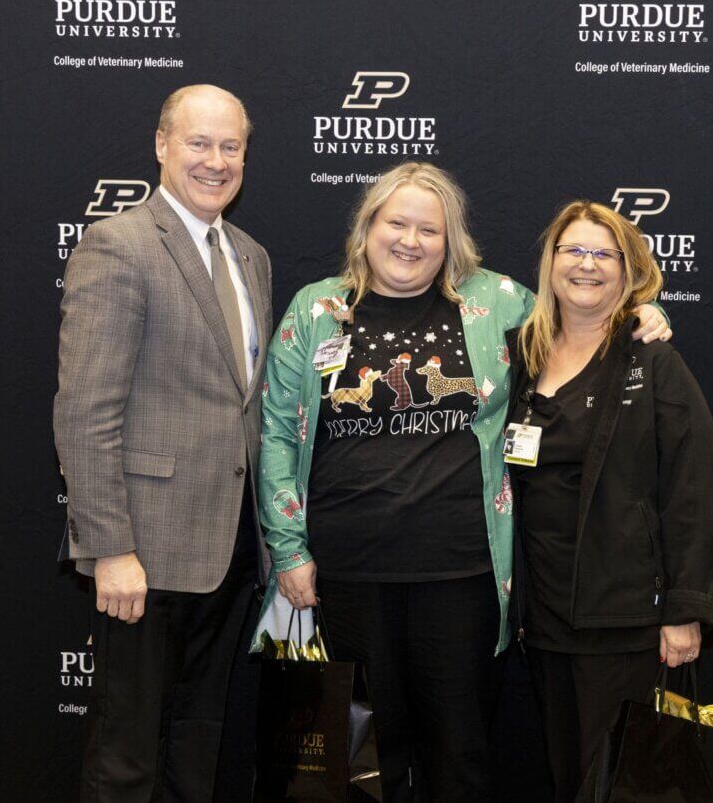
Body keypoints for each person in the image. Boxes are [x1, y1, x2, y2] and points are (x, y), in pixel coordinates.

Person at [255, 163, 669, 802]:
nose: (411, 241)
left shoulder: (497, 302)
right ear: (367, 227)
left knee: (461, 753)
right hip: (346, 575)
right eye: (397, 223)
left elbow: (582, 319)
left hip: (464, 576)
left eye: (431, 229)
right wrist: (289, 549)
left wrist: (644, 310)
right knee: (362, 760)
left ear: (452, 242)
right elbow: (278, 431)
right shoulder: (316, 308)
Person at [53, 84, 271, 803]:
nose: (216, 161)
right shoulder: (118, 245)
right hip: (143, 554)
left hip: (230, 552)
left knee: (196, 746)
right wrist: (109, 547)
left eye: (230, 146)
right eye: (199, 143)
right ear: (161, 145)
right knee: (127, 757)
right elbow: (85, 411)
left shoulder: (250, 257)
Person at [504, 200, 713, 801]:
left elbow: (691, 489)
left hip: (626, 620)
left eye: (605, 254)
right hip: (543, 620)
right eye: (573, 250)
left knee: (626, 786)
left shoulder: (652, 360)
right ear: (550, 264)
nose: (587, 265)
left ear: (629, 272)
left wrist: (684, 609)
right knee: (568, 778)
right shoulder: (520, 354)